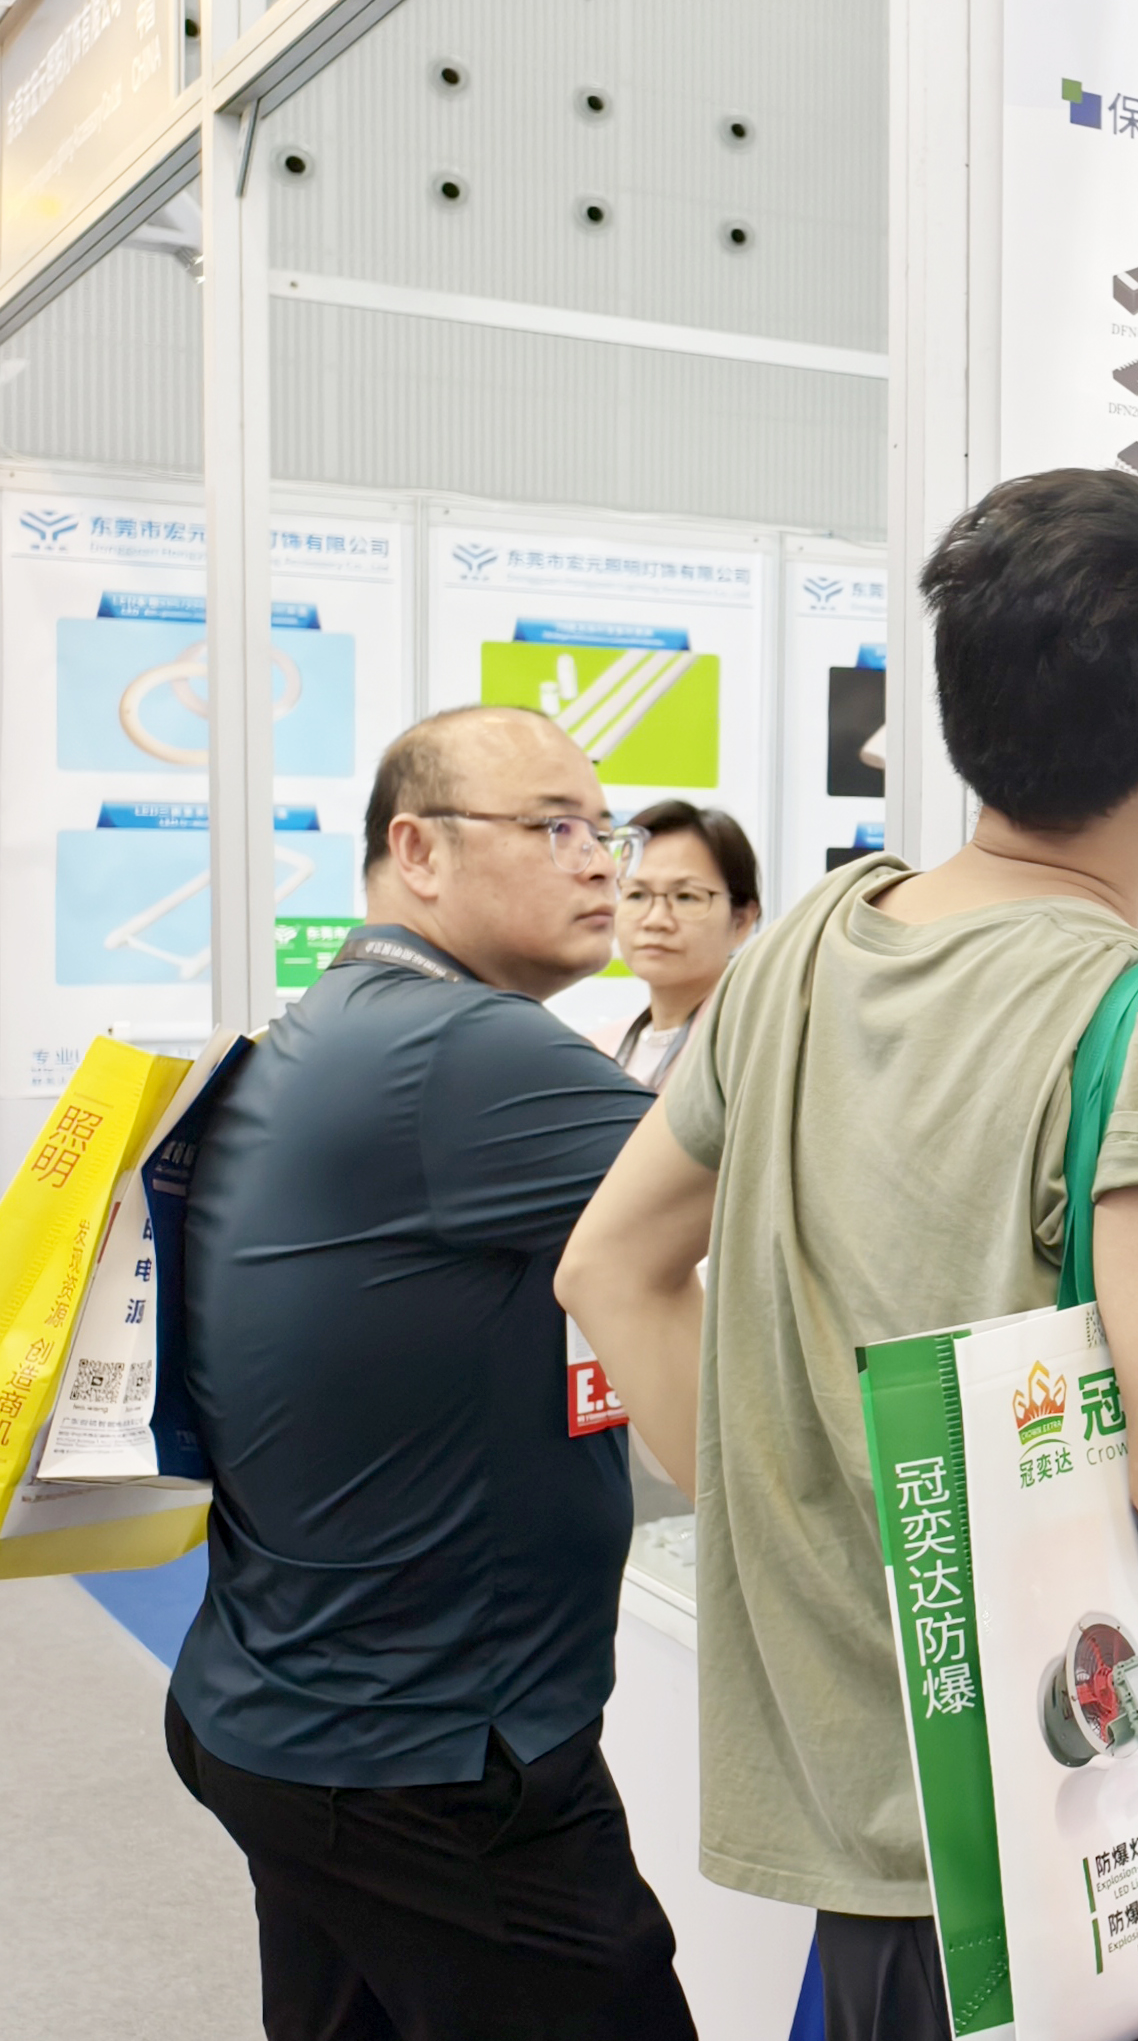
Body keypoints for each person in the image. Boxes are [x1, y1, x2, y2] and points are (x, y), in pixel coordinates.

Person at [557, 468, 1138, 2040]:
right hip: (1071, 1856)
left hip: (870, 1823)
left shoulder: (807, 944)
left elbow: (608, 1267)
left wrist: (798, 1530)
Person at [170, 704, 693, 2039]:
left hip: (299, 1711)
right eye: (555, 827)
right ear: (417, 850)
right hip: (434, 1766)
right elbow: (784, 1187)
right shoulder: (463, 1047)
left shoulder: (344, 1021)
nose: (603, 863)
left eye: (608, 830)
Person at [591, 799, 762, 1087]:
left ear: (741, 921)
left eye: (685, 897)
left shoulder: (755, 1047)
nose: (656, 919)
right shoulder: (596, 1051)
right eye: (636, 895)